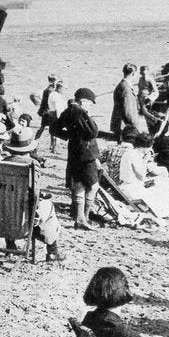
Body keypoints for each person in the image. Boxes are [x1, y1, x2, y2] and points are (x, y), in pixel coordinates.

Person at [2, 127, 65, 261]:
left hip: (2, 218)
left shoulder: (1, 164)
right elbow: (35, 195)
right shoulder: (32, 164)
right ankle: (52, 250)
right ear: (29, 148)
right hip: (25, 220)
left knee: (8, 201)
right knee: (48, 206)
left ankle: (10, 245)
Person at [53, 87, 101, 230]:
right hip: (86, 155)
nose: (90, 106)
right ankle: (83, 218)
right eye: (90, 104)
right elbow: (93, 132)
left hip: (74, 152)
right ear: (83, 101)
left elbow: (54, 129)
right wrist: (89, 114)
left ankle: (80, 218)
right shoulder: (81, 112)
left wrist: (68, 136)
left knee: (79, 184)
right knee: (93, 186)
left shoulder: (68, 111)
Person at [118, 131, 169, 219]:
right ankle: (163, 212)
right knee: (164, 185)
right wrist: (145, 160)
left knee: (161, 182)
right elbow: (141, 176)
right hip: (131, 189)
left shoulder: (130, 153)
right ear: (146, 146)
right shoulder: (134, 155)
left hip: (128, 185)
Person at [110, 63, 139, 140]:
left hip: (120, 124)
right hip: (125, 126)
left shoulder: (122, 85)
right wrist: (134, 126)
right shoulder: (126, 88)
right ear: (133, 73)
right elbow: (128, 110)